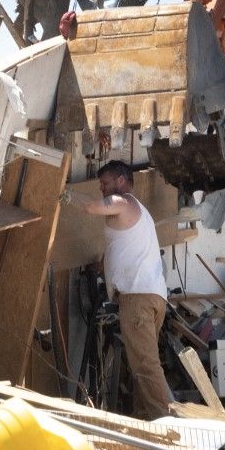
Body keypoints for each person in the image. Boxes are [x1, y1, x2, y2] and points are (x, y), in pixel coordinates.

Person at [65, 160, 173, 419]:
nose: (102, 188)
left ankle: (166, 424)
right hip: (151, 296)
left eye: (105, 183)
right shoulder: (139, 213)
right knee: (139, 362)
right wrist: (101, 268)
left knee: (145, 364)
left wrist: (65, 193)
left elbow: (91, 207)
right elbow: (122, 253)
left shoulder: (123, 203)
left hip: (137, 298)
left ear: (122, 180)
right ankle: (146, 419)